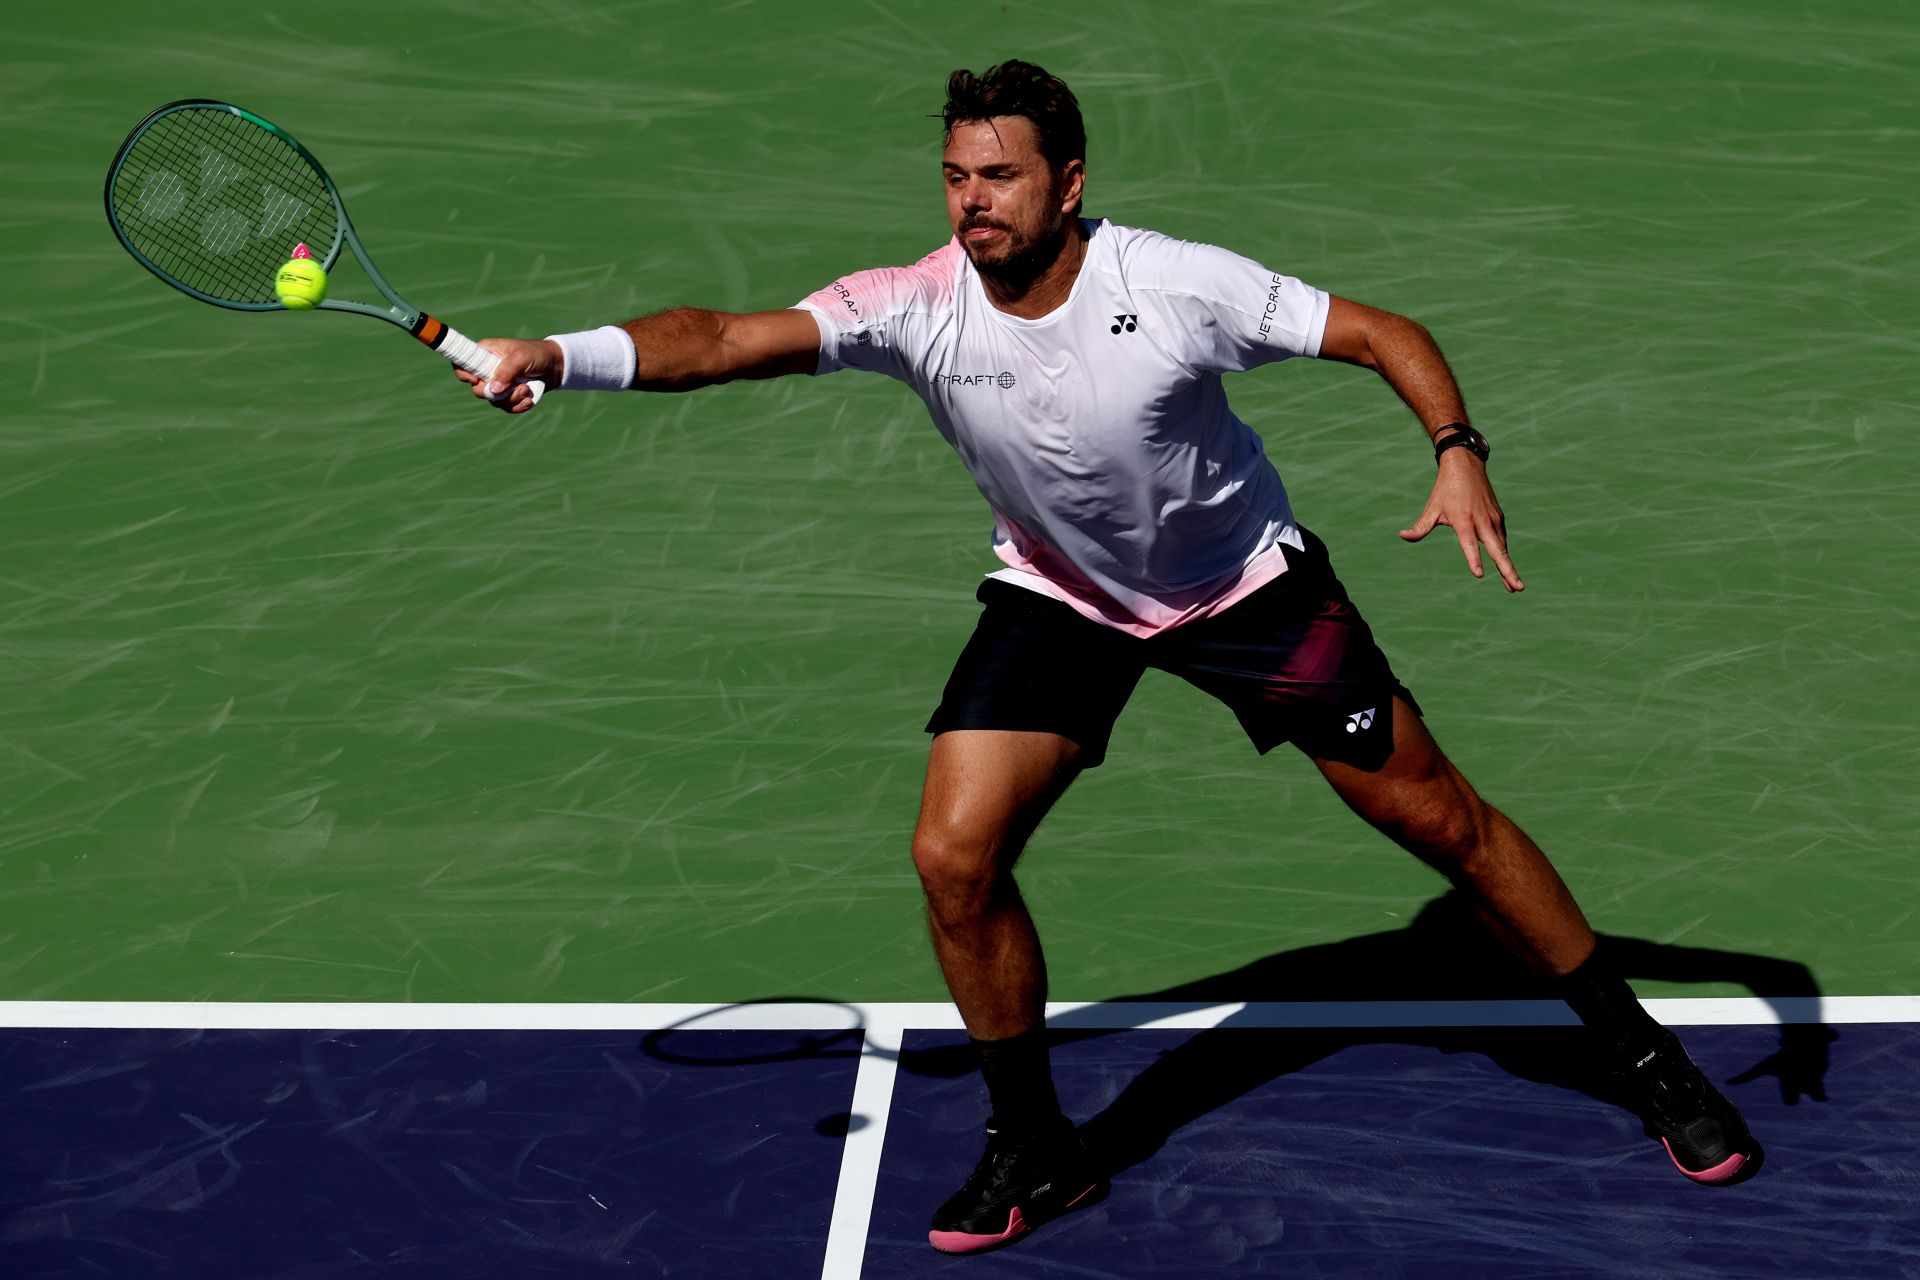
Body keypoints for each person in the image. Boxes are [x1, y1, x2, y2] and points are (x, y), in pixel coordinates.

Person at [457, 60, 1761, 1256]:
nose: (974, 203)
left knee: (1444, 827)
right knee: (951, 855)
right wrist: (561, 358)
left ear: (1069, 184)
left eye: (1002, 176)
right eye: (958, 175)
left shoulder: (1176, 286)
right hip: (1063, 595)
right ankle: (1038, 1148)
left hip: (1245, 590)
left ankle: (1649, 1064)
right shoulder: (916, 306)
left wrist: (1458, 450)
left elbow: (1384, 332)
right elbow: (730, 340)